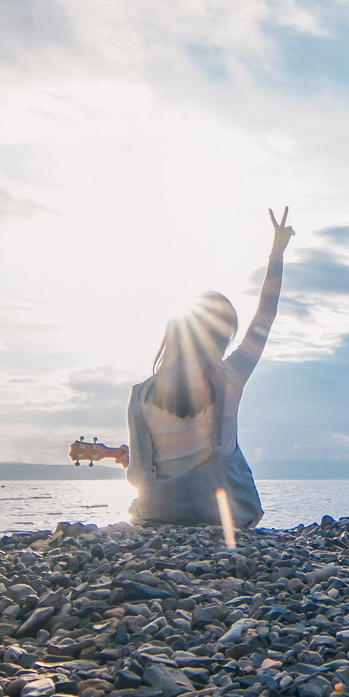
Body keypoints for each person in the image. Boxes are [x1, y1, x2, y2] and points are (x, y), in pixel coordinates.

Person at [123, 208, 294, 528]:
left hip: (162, 512)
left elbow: (137, 474)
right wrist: (276, 255)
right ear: (222, 339)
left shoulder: (139, 396)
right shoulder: (232, 376)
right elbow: (265, 317)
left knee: (139, 501)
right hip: (226, 512)